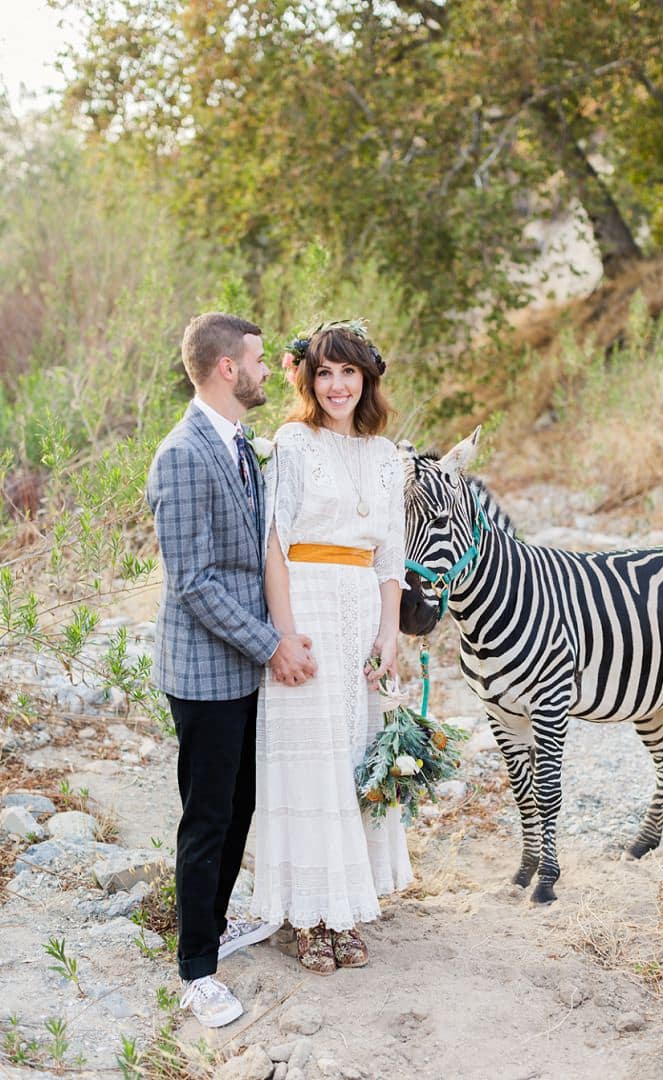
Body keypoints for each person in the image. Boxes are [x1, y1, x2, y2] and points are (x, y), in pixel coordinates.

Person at [146, 313, 317, 1027]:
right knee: (208, 818)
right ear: (224, 368)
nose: (264, 370)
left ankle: (212, 926)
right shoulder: (183, 454)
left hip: (241, 667)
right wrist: (272, 644)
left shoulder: (239, 444)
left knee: (240, 805)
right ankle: (196, 971)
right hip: (205, 671)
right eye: (255, 359)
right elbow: (195, 582)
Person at [251, 319, 413, 975]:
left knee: (355, 752)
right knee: (312, 758)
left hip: (363, 608)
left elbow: (393, 557)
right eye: (324, 372)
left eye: (349, 372)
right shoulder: (292, 443)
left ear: (367, 378)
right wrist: (284, 634)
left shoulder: (384, 456)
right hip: (309, 604)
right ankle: (309, 916)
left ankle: (348, 904)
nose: (338, 384)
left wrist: (389, 630)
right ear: (307, 379)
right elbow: (274, 544)